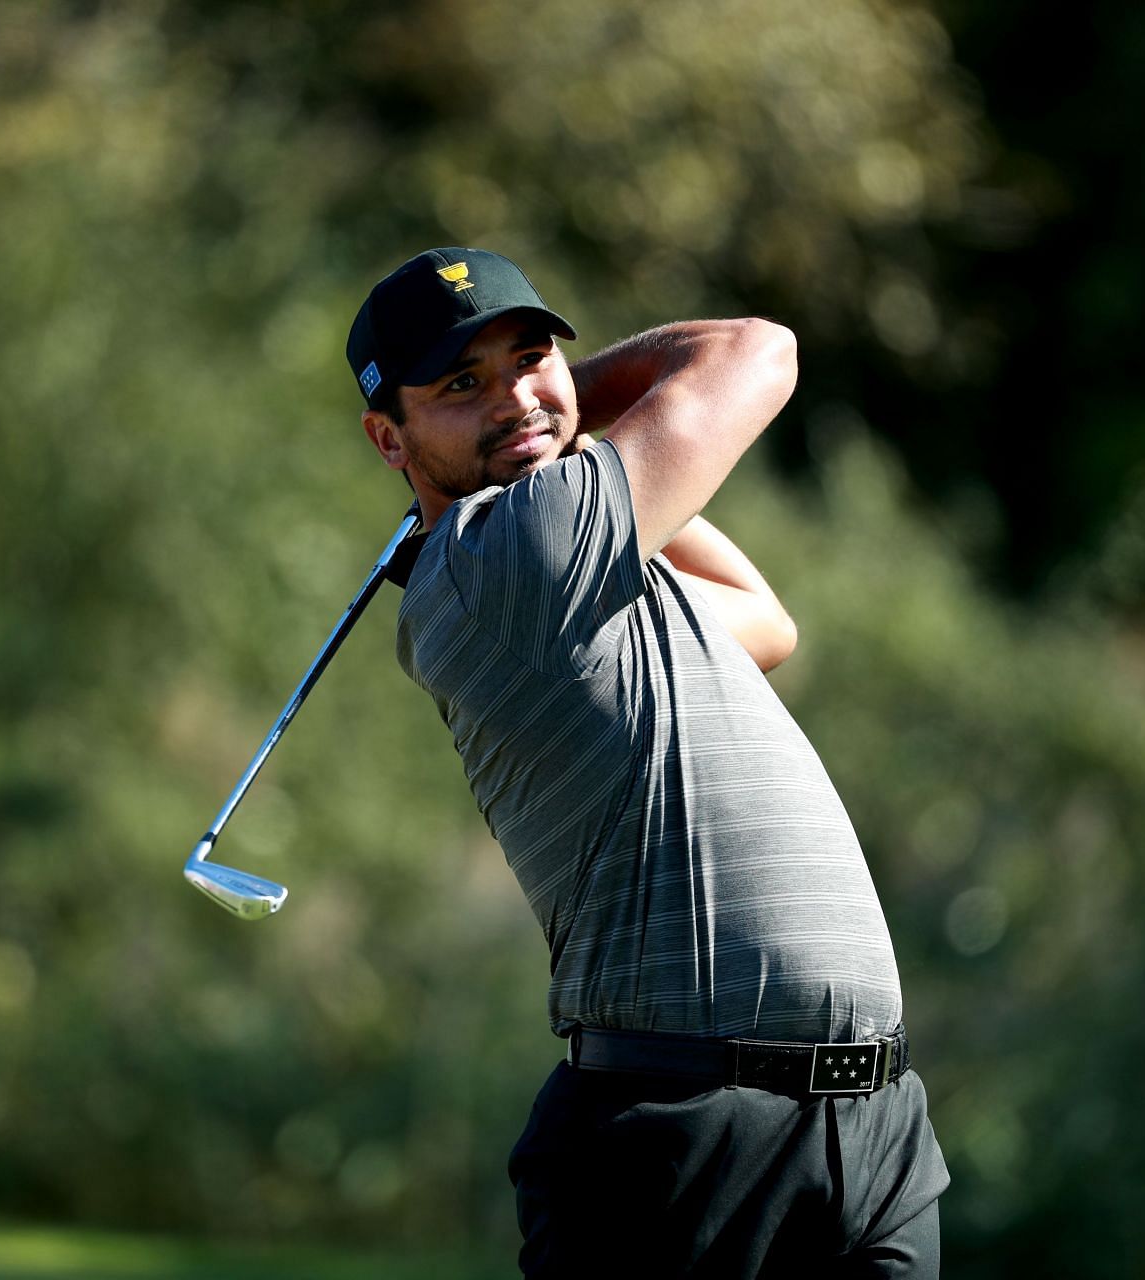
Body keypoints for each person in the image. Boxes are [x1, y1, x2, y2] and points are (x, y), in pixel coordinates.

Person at [347, 247, 949, 1278]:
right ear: (387, 437)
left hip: (872, 1125)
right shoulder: (515, 558)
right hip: (680, 1138)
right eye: (462, 383)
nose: (512, 396)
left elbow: (763, 622)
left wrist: (545, 420)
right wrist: (565, 408)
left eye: (531, 357)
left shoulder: (571, 562)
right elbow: (756, 351)